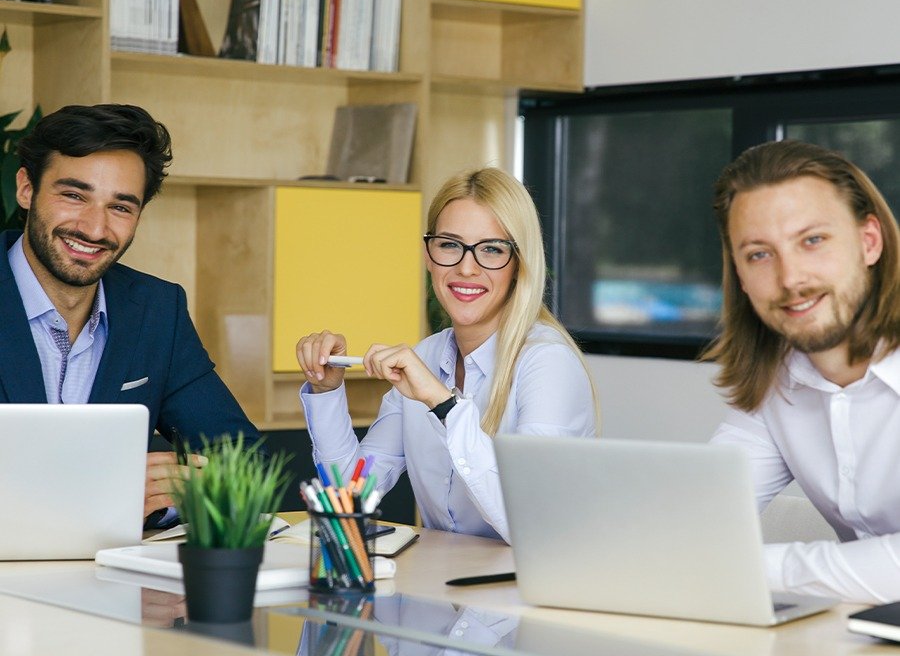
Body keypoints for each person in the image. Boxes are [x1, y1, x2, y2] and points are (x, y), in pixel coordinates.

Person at [296, 167, 598, 542]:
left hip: (530, 592)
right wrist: (327, 393)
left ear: (519, 264)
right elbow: (347, 499)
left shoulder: (548, 363)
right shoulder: (427, 355)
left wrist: (442, 404)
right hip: (444, 586)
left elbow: (532, 524)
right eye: (449, 245)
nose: (466, 268)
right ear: (428, 254)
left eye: (491, 249)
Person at [0, 103, 259, 525]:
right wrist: (96, 496)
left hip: (114, 579)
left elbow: (246, 461)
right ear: (26, 189)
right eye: (73, 195)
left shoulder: (157, 310)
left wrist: (171, 497)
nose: (95, 229)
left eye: (120, 207)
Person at [706, 139, 900, 603]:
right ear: (739, 272)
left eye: (812, 241)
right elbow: (698, 519)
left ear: (868, 242)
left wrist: (752, 569)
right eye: (759, 254)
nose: (790, 278)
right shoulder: (779, 384)